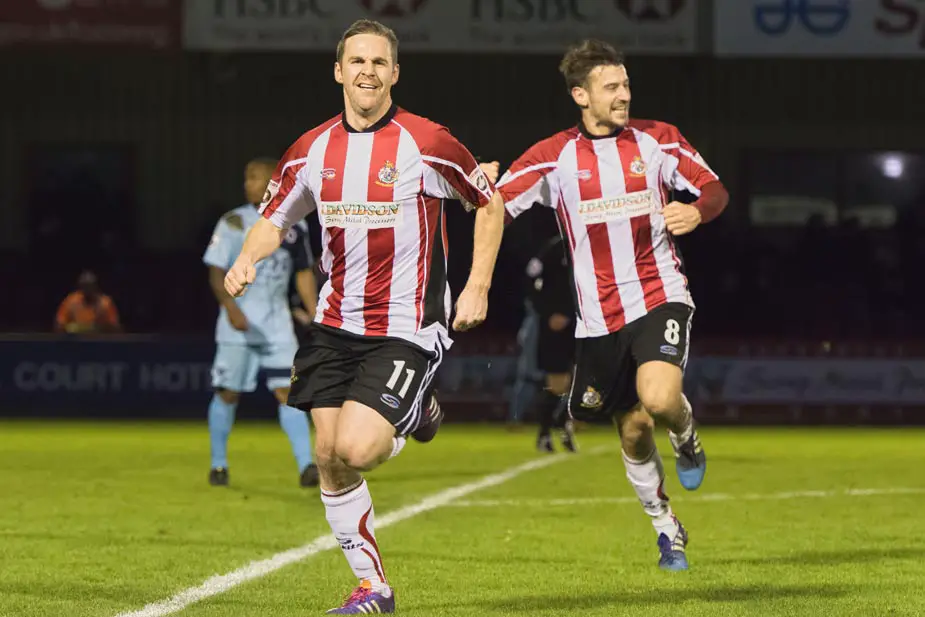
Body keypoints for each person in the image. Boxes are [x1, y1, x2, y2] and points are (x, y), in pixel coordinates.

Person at [223, 20, 504, 614]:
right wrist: (247, 258)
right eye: (357, 61)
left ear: (395, 73)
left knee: (356, 448)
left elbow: (490, 200)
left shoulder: (426, 142)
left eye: (379, 62)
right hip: (333, 324)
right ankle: (373, 588)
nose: (368, 72)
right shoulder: (311, 149)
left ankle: (412, 407)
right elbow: (276, 217)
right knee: (327, 455)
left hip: (406, 326)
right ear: (338, 71)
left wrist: (476, 285)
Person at [496, 39, 728, 571]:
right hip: (597, 318)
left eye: (626, 84)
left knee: (660, 396)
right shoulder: (553, 156)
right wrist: (473, 185)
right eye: (611, 87)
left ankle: (687, 435)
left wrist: (697, 214)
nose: (624, 94)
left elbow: (713, 190)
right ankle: (667, 529)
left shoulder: (657, 140)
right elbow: (497, 202)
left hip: (658, 293)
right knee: (633, 428)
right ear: (581, 95)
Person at [202, 157, 320, 489]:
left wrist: (314, 313)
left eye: (253, 177)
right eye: (246, 177)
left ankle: (306, 465)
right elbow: (215, 271)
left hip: (278, 324)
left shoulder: (295, 223)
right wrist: (229, 306)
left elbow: (303, 272)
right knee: (228, 393)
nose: (247, 183)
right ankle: (219, 465)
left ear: (272, 181)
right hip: (237, 324)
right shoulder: (234, 223)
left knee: (288, 392)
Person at [523, 234, 578, 453]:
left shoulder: (589, 243)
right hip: (556, 327)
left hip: (585, 323)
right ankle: (546, 433)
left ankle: (563, 424)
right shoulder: (554, 249)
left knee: (577, 380)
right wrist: (548, 313)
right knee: (557, 382)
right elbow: (530, 280)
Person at [54, 270, 122, 334]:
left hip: (99, 342)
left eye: (90, 286)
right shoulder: (70, 301)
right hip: (76, 342)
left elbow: (116, 328)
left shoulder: (105, 303)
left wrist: (102, 327)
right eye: (85, 286)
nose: (87, 289)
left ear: (95, 286)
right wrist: (72, 328)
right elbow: (59, 325)